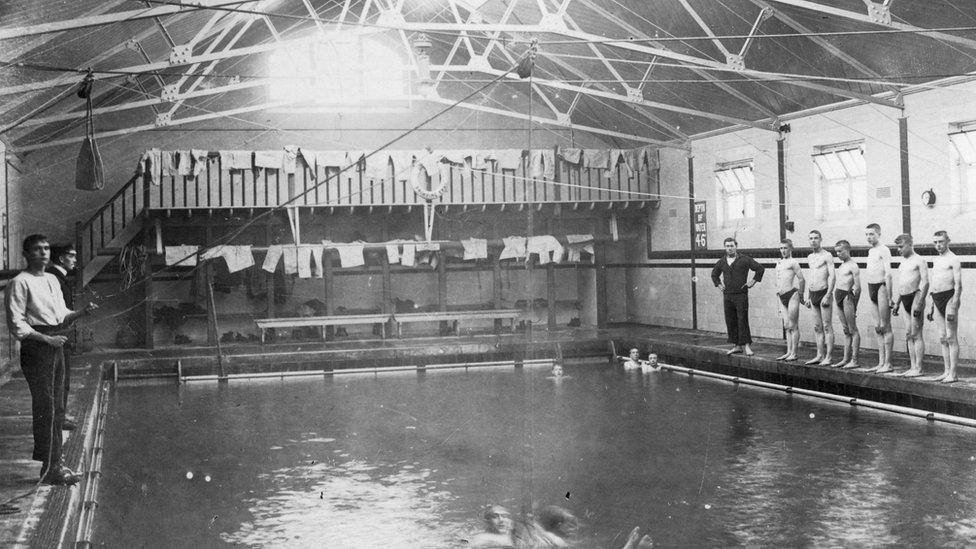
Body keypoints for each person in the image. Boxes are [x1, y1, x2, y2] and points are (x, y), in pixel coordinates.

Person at [6, 235, 97, 485]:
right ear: (26, 254)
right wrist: (47, 340)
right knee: (46, 407)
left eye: (46, 248)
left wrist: (81, 312)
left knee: (57, 406)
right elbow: (17, 325)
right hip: (37, 348)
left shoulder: (52, 280)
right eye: (37, 249)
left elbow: (61, 313)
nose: (43, 252)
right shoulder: (19, 283)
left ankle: (56, 462)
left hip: (55, 343)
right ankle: (49, 468)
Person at [710, 237, 765, 356]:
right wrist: (719, 285)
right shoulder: (722, 261)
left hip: (741, 295)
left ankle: (747, 346)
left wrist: (753, 281)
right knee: (731, 320)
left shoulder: (744, 259)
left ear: (736, 246)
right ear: (725, 247)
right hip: (728, 295)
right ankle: (737, 346)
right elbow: (714, 274)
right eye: (727, 246)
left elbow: (760, 269)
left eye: (731, 246)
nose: (729, 248)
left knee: (742, 319)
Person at [46, 244, 78, 431]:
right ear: (61, 259)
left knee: (63, 380)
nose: (75, 260)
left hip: (62, 334)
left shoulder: (60, 277)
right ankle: (58, 419)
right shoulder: (54, 278)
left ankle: (61, 415)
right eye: (71, 256)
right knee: (60, 381)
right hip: (58, 335)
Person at [891, 234, 928, 377]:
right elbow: (902, 285)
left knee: (916, 334)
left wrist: (919, 303)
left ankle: (919, 368)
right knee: (908, 334)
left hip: (916, 296)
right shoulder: (902, 263)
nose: (898, 250)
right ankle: (913, 366)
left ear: (910, 244)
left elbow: (925, 282)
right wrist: (897, 303)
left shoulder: (919, 260)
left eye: (901, 246)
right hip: (904, 297)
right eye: (897, 247)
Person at [927, 230, 961, 383]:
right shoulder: (936, 259)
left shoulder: (954, 259)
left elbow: (959, 286)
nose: (938, 245)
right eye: (935, 242)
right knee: (942, 337)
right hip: (936, 298)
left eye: (941, 241)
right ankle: (946, 371)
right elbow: (934, 283)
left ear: (948, 241)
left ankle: (953, 374)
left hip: (949, 298)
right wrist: (931, 305)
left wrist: (954, 305)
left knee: (951, 337)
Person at [863, 223, 894, 373]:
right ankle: (881, 362)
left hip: (881, 287)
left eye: (872, 234)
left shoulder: (884, 250)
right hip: (871, 287)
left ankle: (888, 363)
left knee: (885, 326)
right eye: (867, 234)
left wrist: (890, 296)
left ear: (879, 234)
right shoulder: (870, 251)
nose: (869, 237)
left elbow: (888, 274)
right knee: (877, 328)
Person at [804, 230, 835, 366]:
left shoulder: (827, 255)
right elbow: (811, 276)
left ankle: (828, 357)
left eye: (816, 238)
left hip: (823, 293)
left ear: (821, 239)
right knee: (817, 327)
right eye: (811, 238)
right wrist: (807, 295)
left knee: (827, 326)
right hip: (813, 293)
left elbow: (833, 276)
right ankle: (819, 355)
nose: (813, 240)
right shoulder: (810, 256)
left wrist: (828, 294)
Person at [774, 239, 805, 361]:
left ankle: (794, 353)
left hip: (792, 295)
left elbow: (802, 279)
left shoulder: (794, 262)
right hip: (781, 296)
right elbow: (778, 279)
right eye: (781, 248)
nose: (783, 251)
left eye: (785, 248)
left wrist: (801, 295)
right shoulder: (779, 263)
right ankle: (788, 352)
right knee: (786, 325)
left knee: (793, 325)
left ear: (790, 249)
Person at [831, 240, 861, 369]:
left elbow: (858, 288)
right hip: (838, 296)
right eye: (836, 252)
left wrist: (855, 305)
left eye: (840, 251)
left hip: (847, 297)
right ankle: (845, 359)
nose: (838, 254)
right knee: (846, 330)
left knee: (853, 329)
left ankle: (854, 360)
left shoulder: (853, 266)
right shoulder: (842, 265)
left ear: (848, 250)